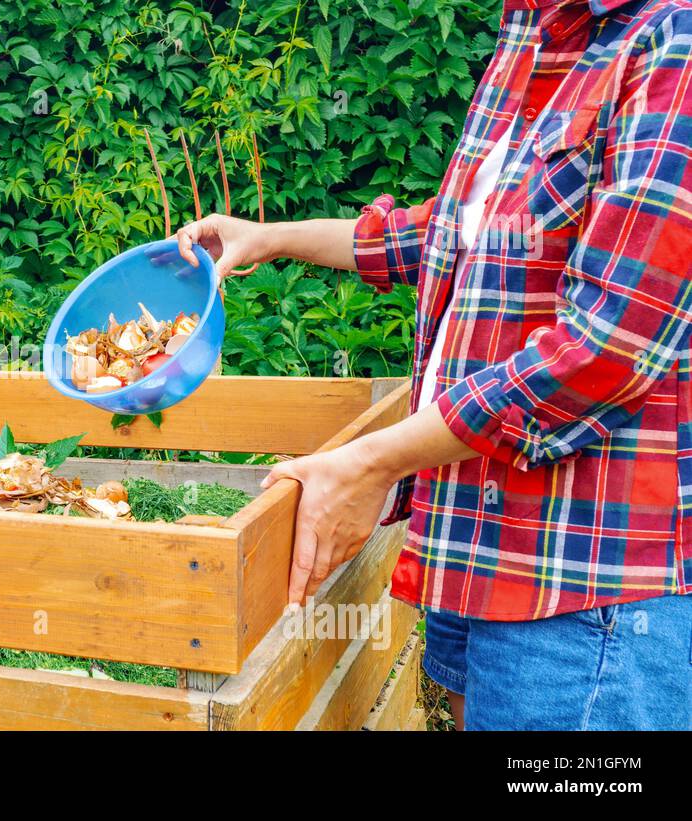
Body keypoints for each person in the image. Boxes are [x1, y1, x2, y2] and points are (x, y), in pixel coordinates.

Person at [176, 0, 692, 730]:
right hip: (477, 551)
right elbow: (466, 230)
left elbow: (606, 350)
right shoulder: (531, 29)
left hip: (584, 592)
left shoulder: (671, 39)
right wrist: (270, 237)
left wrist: (370, 463)